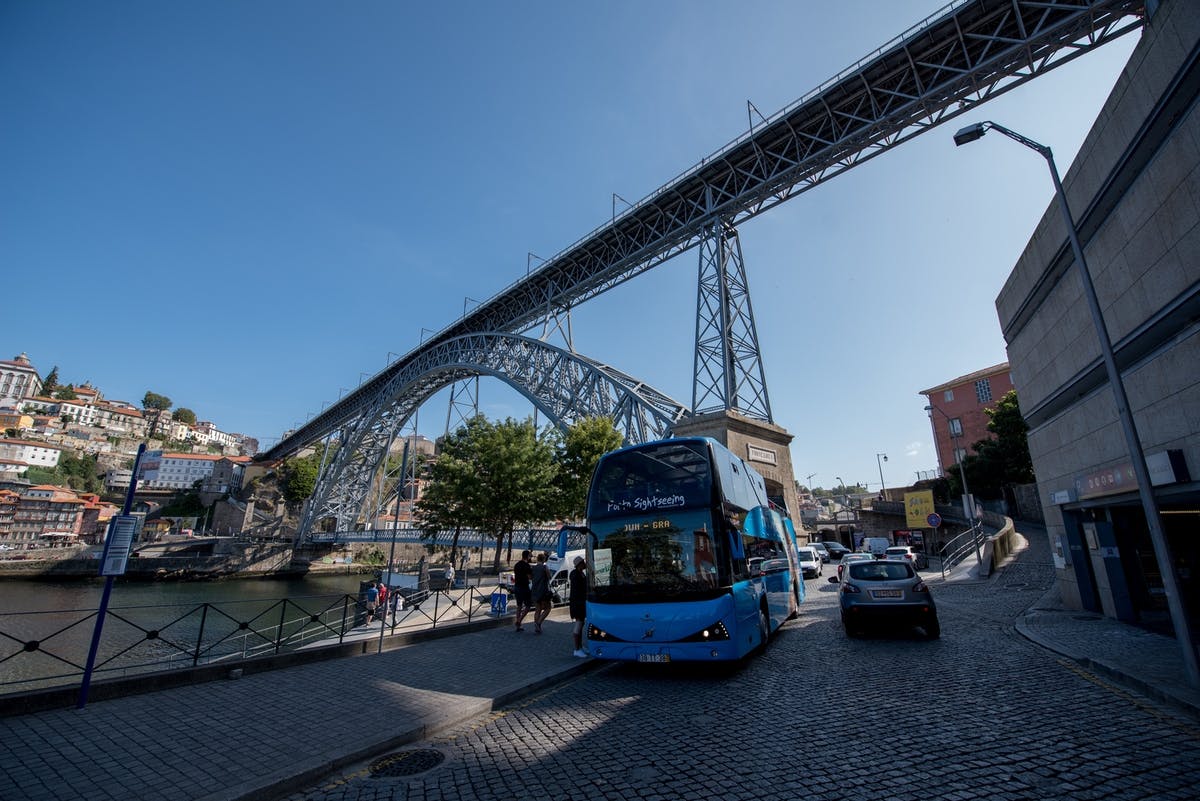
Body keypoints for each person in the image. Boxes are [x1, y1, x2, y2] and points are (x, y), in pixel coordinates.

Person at [568, 555, 588, 657]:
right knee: (579, 624)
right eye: (583, 562)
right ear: (579, 564)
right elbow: (579, 591)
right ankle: (576, 649)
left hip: (579, 603)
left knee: (580, 624)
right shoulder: (576, 575)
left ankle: (580, 646)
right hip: (578, 604)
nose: (585, 564)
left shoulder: (580, 574)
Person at [530, 552, 553, 634]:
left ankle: (537, 628)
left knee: (537, 609)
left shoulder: (533, 568)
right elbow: (549, 577)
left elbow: (531, 577)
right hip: (543, 591)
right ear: (544, 559)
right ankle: (538, 623)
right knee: (548, 608)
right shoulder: (544, 567)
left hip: (534, 591)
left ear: (537, 559)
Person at [512, 550, 533, 632]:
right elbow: (530, 577)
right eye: (530, 556)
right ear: (527, 556)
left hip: (517, 586)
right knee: (528, 606)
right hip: (524, 587)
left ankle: (518, 626)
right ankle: (519, 621)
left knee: (519, 606)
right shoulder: (527, 566)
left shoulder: (516, 565)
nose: (530, 557)